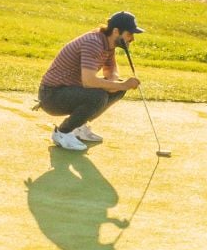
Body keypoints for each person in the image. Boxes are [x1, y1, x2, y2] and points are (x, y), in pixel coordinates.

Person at [39, 11, 142, 151]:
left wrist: (115, 82)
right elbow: (89, 81)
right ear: (116, 31)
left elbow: (111, 69)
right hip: (51, 96)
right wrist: (122, 84)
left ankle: (79, 127)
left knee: (117, 89)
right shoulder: (94, 42)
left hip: (67, 91)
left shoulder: (107, 44)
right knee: (98, 96)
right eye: (130, 34)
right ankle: (63, 133)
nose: (132, 39)